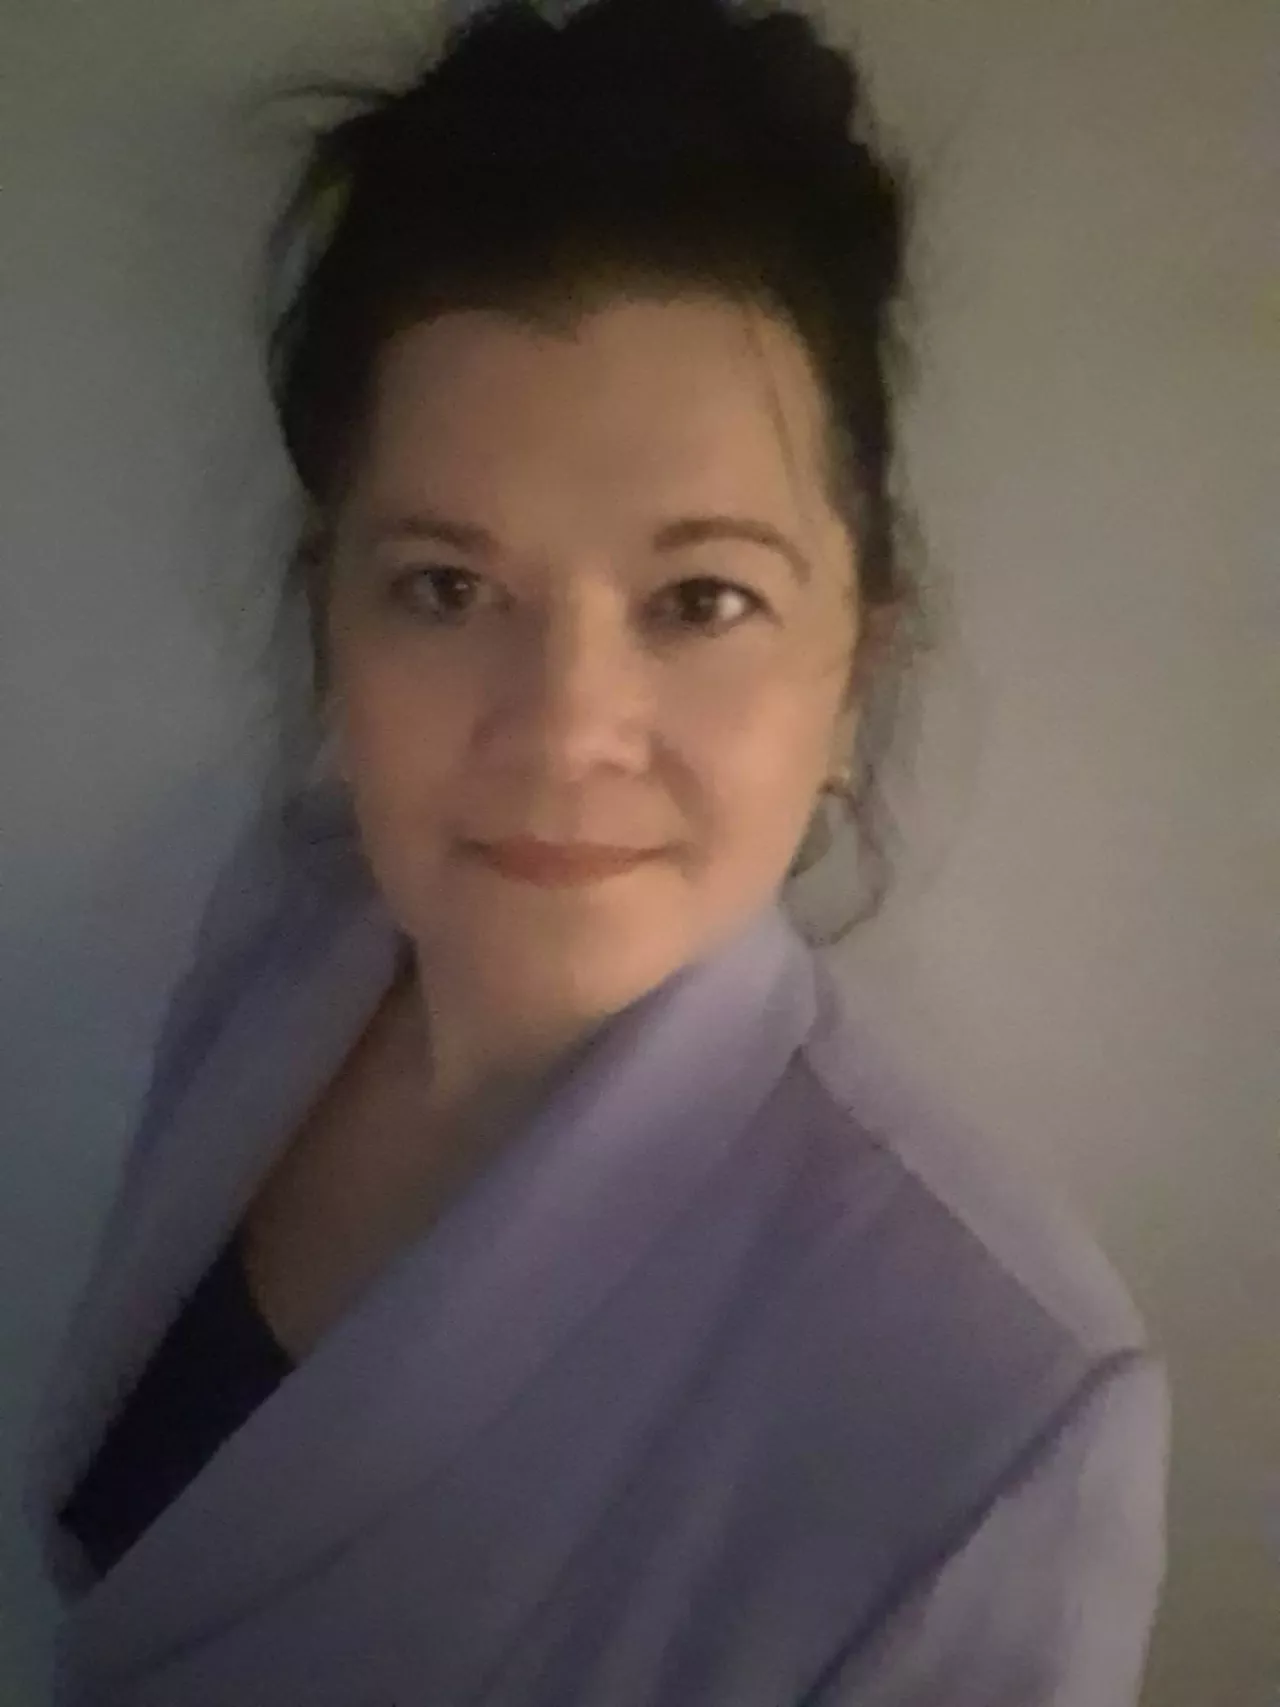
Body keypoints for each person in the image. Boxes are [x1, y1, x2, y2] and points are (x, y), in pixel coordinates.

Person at [23, 0, 1169, 1701]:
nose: (565, 729)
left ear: (855, 671)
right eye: (446, 587)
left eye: (701, 598)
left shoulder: (993, 1416)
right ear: (332, 620)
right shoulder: (285, 926)